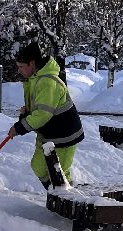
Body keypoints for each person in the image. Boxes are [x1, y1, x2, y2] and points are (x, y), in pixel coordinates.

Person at [10, 41, 85, 188]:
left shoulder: (47, 82)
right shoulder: (35, 80)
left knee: (59, 173)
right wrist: (26, 112)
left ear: (32, 64)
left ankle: (69, 201)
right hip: (48, 133)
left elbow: (43, 115)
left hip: (64, 135)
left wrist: (19, 128)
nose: (19, 71)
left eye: (21, 67)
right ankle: (57, 194)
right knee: (39, 167)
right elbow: (40, 109)